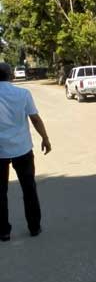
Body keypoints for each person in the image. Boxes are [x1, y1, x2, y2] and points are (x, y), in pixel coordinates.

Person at [0, 63, 52, 242]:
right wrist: (45, 138)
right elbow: (35, 119)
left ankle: (4, 232)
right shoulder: (23, 94)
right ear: (11, 76)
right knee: (29, 188)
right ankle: (34, 227)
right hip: (22, 149)